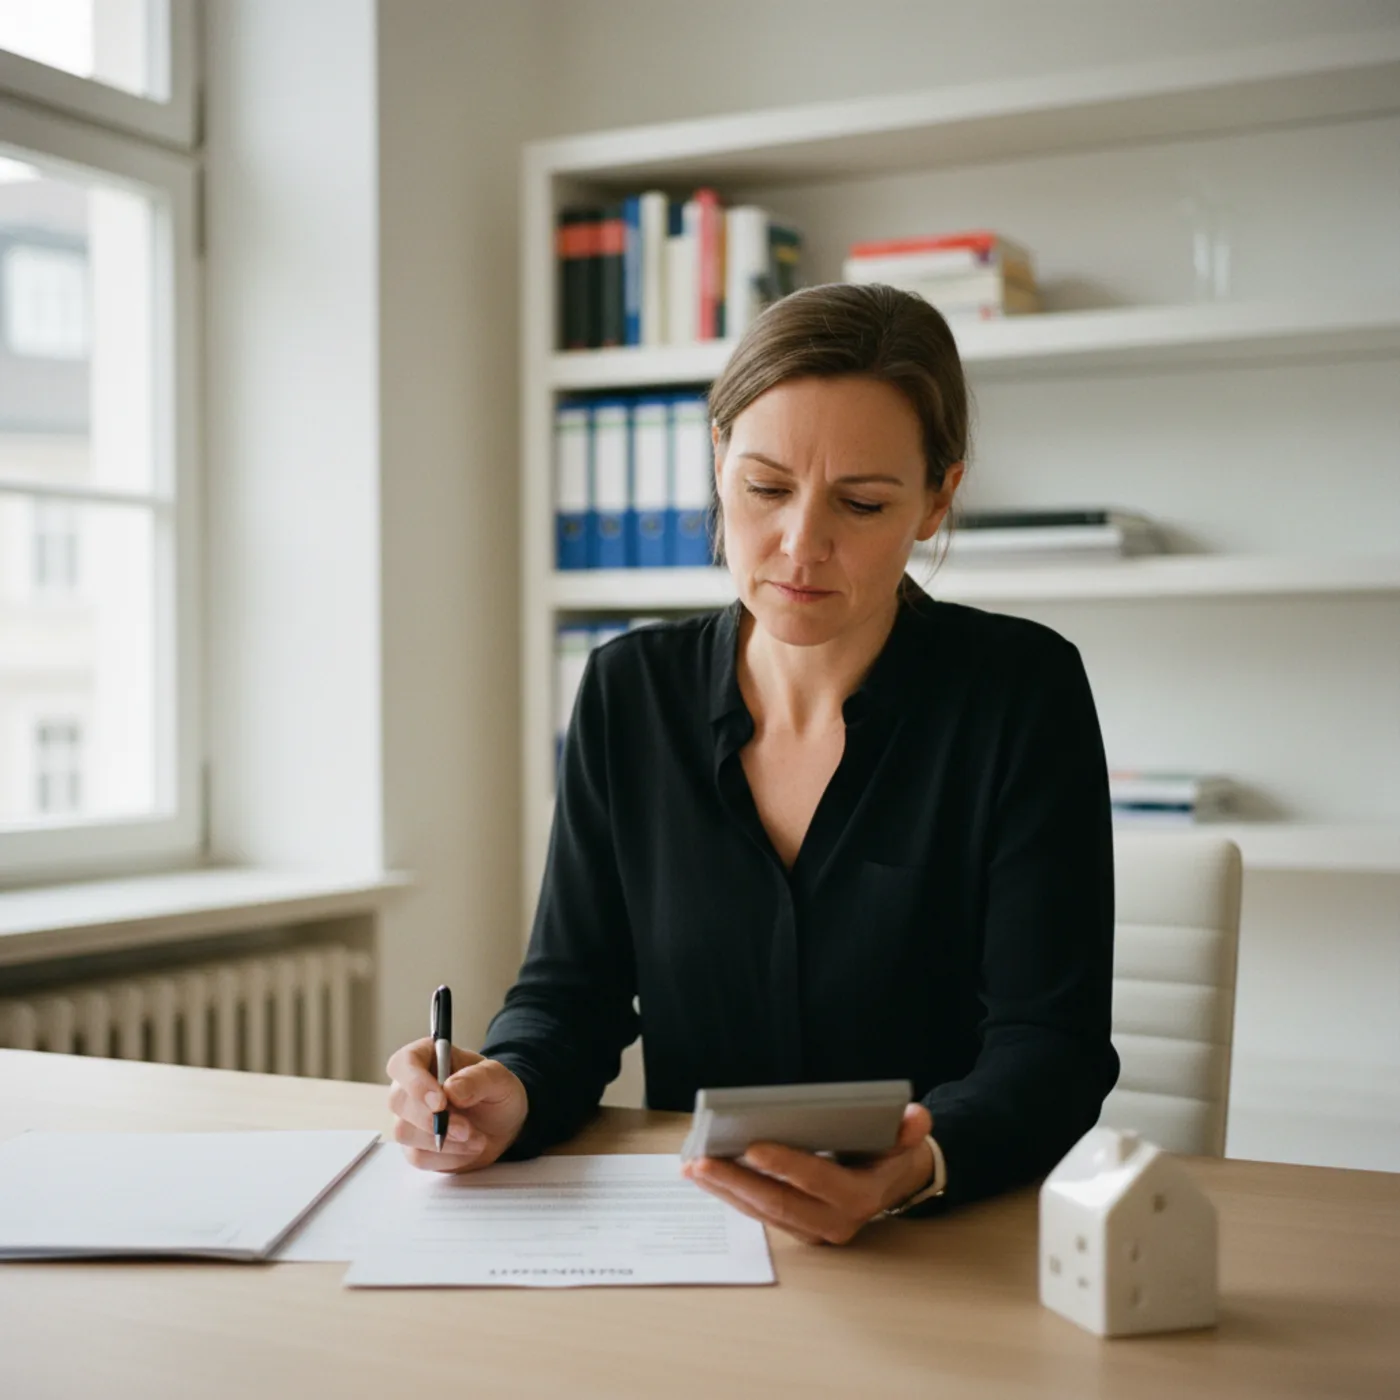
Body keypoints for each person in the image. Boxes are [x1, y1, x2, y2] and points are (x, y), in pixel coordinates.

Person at [386, 282, 1119, 1244]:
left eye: (861, 502)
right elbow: (570, 995)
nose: (800, 545)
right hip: (697, 1236)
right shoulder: (628, 692)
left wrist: (916, 1165)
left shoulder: (1022, 692)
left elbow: (1050, 1047)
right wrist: (508, 1090)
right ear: (718, 459)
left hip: (940, 1241)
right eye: (766, 489)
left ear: (938, 500)